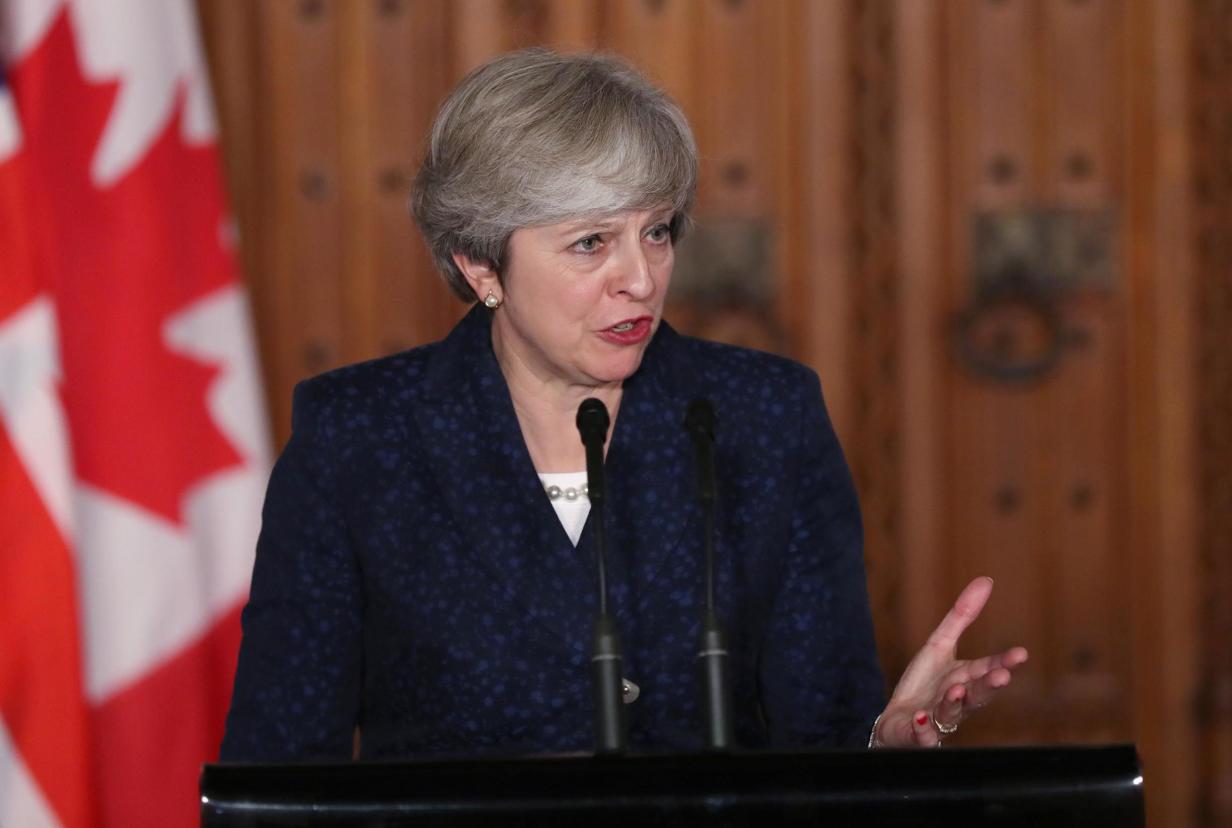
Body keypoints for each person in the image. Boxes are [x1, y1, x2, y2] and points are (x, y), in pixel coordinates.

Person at [220, 49, 1026, 761]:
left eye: (658, 231)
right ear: (480, 266)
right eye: (590, 242)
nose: (640, 278)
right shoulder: (359, 437)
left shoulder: (763, 418)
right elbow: (279, 775)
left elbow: (816, 745)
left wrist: (881, 742)